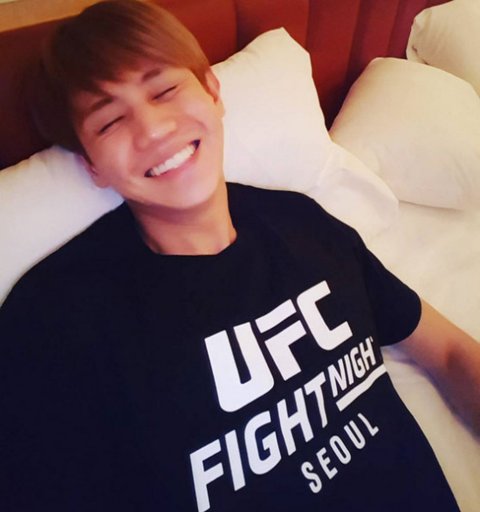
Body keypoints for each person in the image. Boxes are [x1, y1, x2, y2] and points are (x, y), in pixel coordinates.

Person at [0, 1, 479, 511]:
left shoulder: (305, 223)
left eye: (165, 90)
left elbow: (448, 350)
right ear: (92, 165)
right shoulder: (54, 320)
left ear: (212, 92)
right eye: (110, 121)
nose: (154, 129)